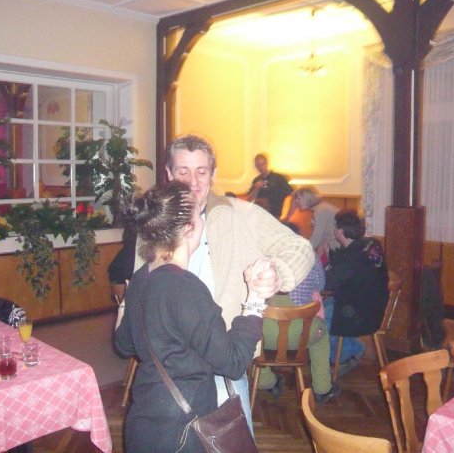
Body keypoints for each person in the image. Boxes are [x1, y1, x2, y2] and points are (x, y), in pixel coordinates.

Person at [154, 133, 315, 432]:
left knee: (232, 442)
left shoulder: (241, 214)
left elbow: (300, 248)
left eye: (201, 172)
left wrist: (278, 273)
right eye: (183, 171)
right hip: (166, 361)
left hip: (222, 358)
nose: (192, 182)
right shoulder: (155, 221)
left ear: (213, 174)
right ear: (168, 173)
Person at [114, 181, 274, 452]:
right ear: (189, 229)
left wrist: (125, 304)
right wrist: (256, 300)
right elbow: (234, 363)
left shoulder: (141, 277)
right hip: (182, 430)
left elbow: (124, 344)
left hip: (145, 419)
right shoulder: (185, 287)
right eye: (200, 215)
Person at [256, 250, 339, 403]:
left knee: (251, 335)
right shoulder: (309, 255)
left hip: (264, 335)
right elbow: (320, 285)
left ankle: (265, 380)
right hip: (302, 334)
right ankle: (322, 388)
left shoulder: (259, 254)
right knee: (321, 336)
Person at [324, 209, 389, 369]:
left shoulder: (349, 257)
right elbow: (354, 272)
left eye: (335, 227)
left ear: (340, 231)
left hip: (359, 315)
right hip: (377, 308)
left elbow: (327, 283)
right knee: (326, 305)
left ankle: (343, 357)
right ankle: (351, 348)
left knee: (319, 317)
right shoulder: (372, 244)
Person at [285, 186, 340, 262]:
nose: (296, 201)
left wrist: (301, 253)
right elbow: (321, 239)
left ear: (307, 198)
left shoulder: (321, 211)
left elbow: (316, 238)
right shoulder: (321, 208)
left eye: (298, 198)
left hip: (338, 249)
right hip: (334, 249)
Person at [247, 153, 293, 218]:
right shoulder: (256, 180)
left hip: (275, 212)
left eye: (262, 164)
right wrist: (256, 188)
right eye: (258, 165)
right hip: (259, 212)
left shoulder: (278, 178)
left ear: (266, 163)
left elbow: (290, 193)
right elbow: (249, 200)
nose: (260, 167)